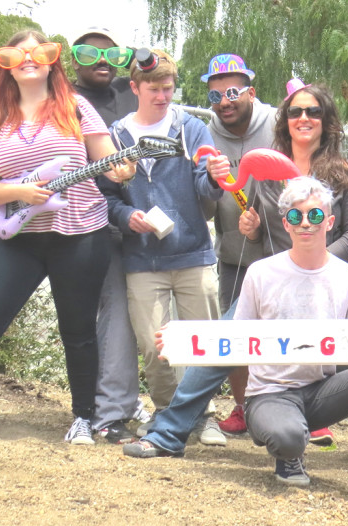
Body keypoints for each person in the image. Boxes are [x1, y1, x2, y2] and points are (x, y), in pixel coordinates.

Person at [120, 79, 348, 459]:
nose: (304, 118)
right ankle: (168, 434)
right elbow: (259, 230)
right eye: (296, 111)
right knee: (221, 348)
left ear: (326, 120)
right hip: (273, 288)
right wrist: (250, 231)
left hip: (329, 290)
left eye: (313, 111)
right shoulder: (266, 166)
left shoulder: (343, 174)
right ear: (285, 120)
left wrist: (316, 265)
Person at [0, 29, 136, 442]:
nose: (28, 59)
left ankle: (82, 418)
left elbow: (110, 162)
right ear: (5, 63)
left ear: (51, 60)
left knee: (77, 330)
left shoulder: (77, 108)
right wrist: (19, 192)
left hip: (80, 233)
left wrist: (124, 168)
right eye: (18, 54)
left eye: (38, 52)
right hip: (20, 237)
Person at [239, 177, 348, 510]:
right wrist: (180, 342)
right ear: (285, 222)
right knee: (288, 438)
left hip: (320, 391)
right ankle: (286, 447)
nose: (306, 224)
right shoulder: (260, 273)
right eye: (296, 216)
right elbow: (237, 340)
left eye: (315, 216)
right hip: (270, 392)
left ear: (329, 222)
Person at [98, 49, 229, 432]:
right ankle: (169, 414)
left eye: (168, 88)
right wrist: (126, 216)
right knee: (156, 351)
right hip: (141, 260)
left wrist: (217, 177)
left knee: (202, 347)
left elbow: (205, 185)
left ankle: (204, 417)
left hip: (193, 255)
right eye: (153, 88)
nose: (162, 96)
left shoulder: (190, 128)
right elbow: (105, 197)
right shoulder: (116, 136)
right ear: (134, 87)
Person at [69, 27, 142, 443]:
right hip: (68, 225)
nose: (100, 60)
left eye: (111, 55)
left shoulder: (131, 95)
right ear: (72, 59)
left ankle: (110, 408)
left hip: (125, 224)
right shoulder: (61, 100)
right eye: (89, 53)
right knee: (81, 319)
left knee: (120, 316)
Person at [200, 53, 277, 438]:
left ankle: (306, 409)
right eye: (215, 96)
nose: (225, 102)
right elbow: (203, 202)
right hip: (234, 253)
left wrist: (267, 223)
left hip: (281, 251)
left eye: (232, 92)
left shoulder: (279, 123)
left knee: (291, 330)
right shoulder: (206, 134)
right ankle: (243, 406)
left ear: (251, 91)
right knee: (236, 336)